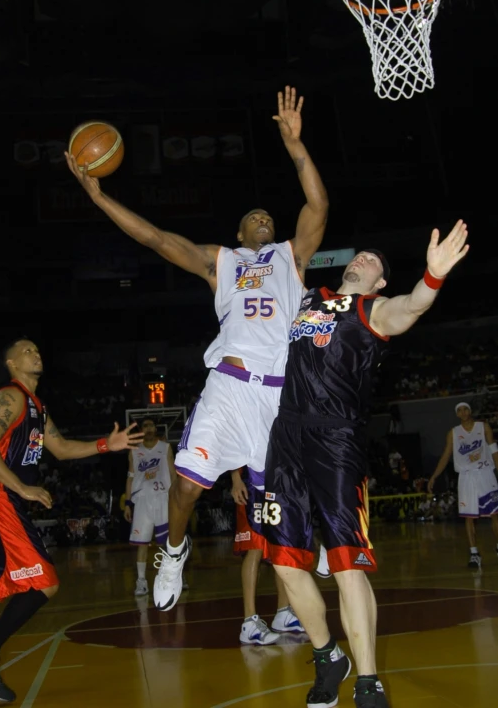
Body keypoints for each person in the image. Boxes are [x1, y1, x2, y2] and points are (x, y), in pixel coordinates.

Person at [65, 85, 329, 616]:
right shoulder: (221, 262)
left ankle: (314, 543)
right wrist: (99, 198)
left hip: (279, 397)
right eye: (253, 217)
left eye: (267, 217)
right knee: (185, 488)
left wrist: (296, 147)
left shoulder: (291, 256)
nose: (263, 220)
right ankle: (174, 552)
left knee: (280, 502)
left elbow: (317, 204)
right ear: (237, 231)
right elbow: (157, 239)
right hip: (229, 387)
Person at [261, 220, 469, 708]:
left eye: (373, 261)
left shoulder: (372, 310)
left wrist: (433, 277)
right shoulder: (308, 299)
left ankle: (369, 680)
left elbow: (412, 306)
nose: (362, 259)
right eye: (360, 255)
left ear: (379, 283)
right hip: (285, 435)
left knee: (345, 562)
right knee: (285, 562)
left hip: (336, 441)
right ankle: (327, 655)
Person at [0, 339, 142, 703]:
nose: (35, 353)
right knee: (45, 583)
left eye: (37, 349)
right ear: (10, 362)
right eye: (26, 350)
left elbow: (62, 447)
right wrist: (23, 487)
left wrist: (105, 445)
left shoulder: (37, 406)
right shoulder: (12, 397)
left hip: (3, 496)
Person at [231, 468, 303, 643]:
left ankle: (283, 613)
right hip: (250, 482)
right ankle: (249, 622)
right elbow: (233, 445)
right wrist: (235, 479)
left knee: (281, 546)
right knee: (254, 547)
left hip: (274, 483)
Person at [428, 402, 498, 568]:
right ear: (457, 414)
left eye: (465, 408)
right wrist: (434, 476)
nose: (463, 412)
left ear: (470, 411)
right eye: (459, 410)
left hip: (485, 473)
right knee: (469, 517)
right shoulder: (453, 433)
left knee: (495, 513)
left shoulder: (483, 427)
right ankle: (474, 553)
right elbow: (446, 456)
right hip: (466, 477)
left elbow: (494, 449)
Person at [124, 418, 177, 596]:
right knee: (142, 543)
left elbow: (173, 474)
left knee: (168, 543)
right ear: (141, 429)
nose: (148, 429)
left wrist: (175, 497)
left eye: (151, 425)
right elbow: (130, 477)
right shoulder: (134, 451)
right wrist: (127, 503)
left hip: (163, 498)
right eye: (145, 426)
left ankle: (173, 578)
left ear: (156, 428)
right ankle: (141, 581)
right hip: (142, 501)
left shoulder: (166, 448)